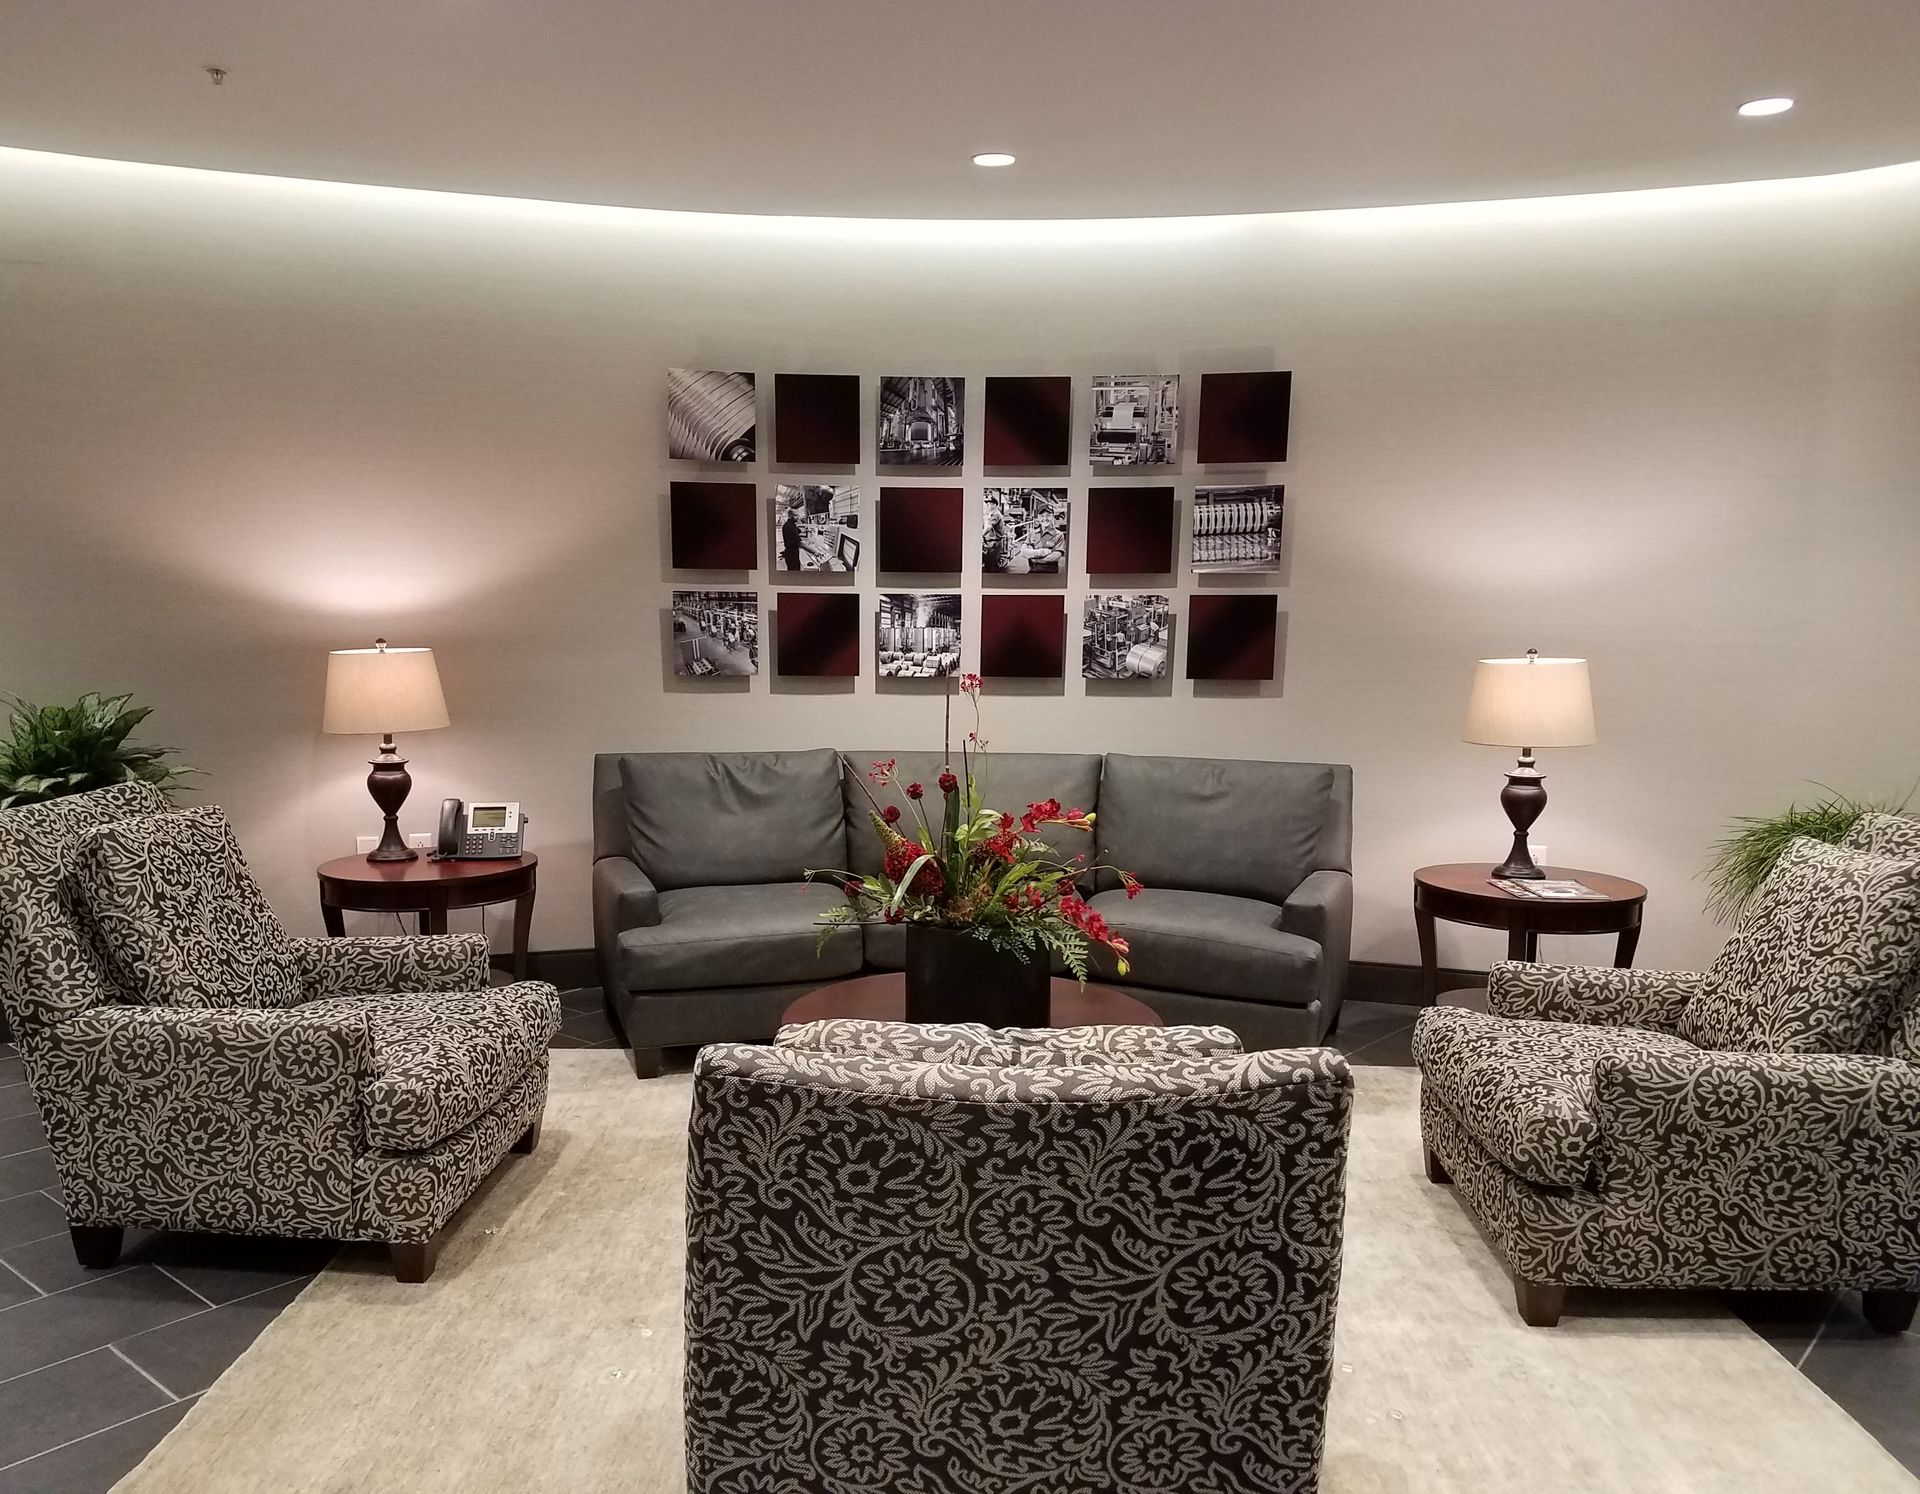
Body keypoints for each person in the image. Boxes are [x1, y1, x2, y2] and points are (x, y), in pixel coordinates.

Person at [780, 499, 803, 571]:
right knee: (795, 571)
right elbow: (800, 544)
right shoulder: (790, 527)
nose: (798, 517)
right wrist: (815, 552)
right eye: (796, 515)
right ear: (790, 516)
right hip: (792, 554)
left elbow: (798, 530)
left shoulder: (790, 524)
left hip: (789, 553)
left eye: (798, 515)